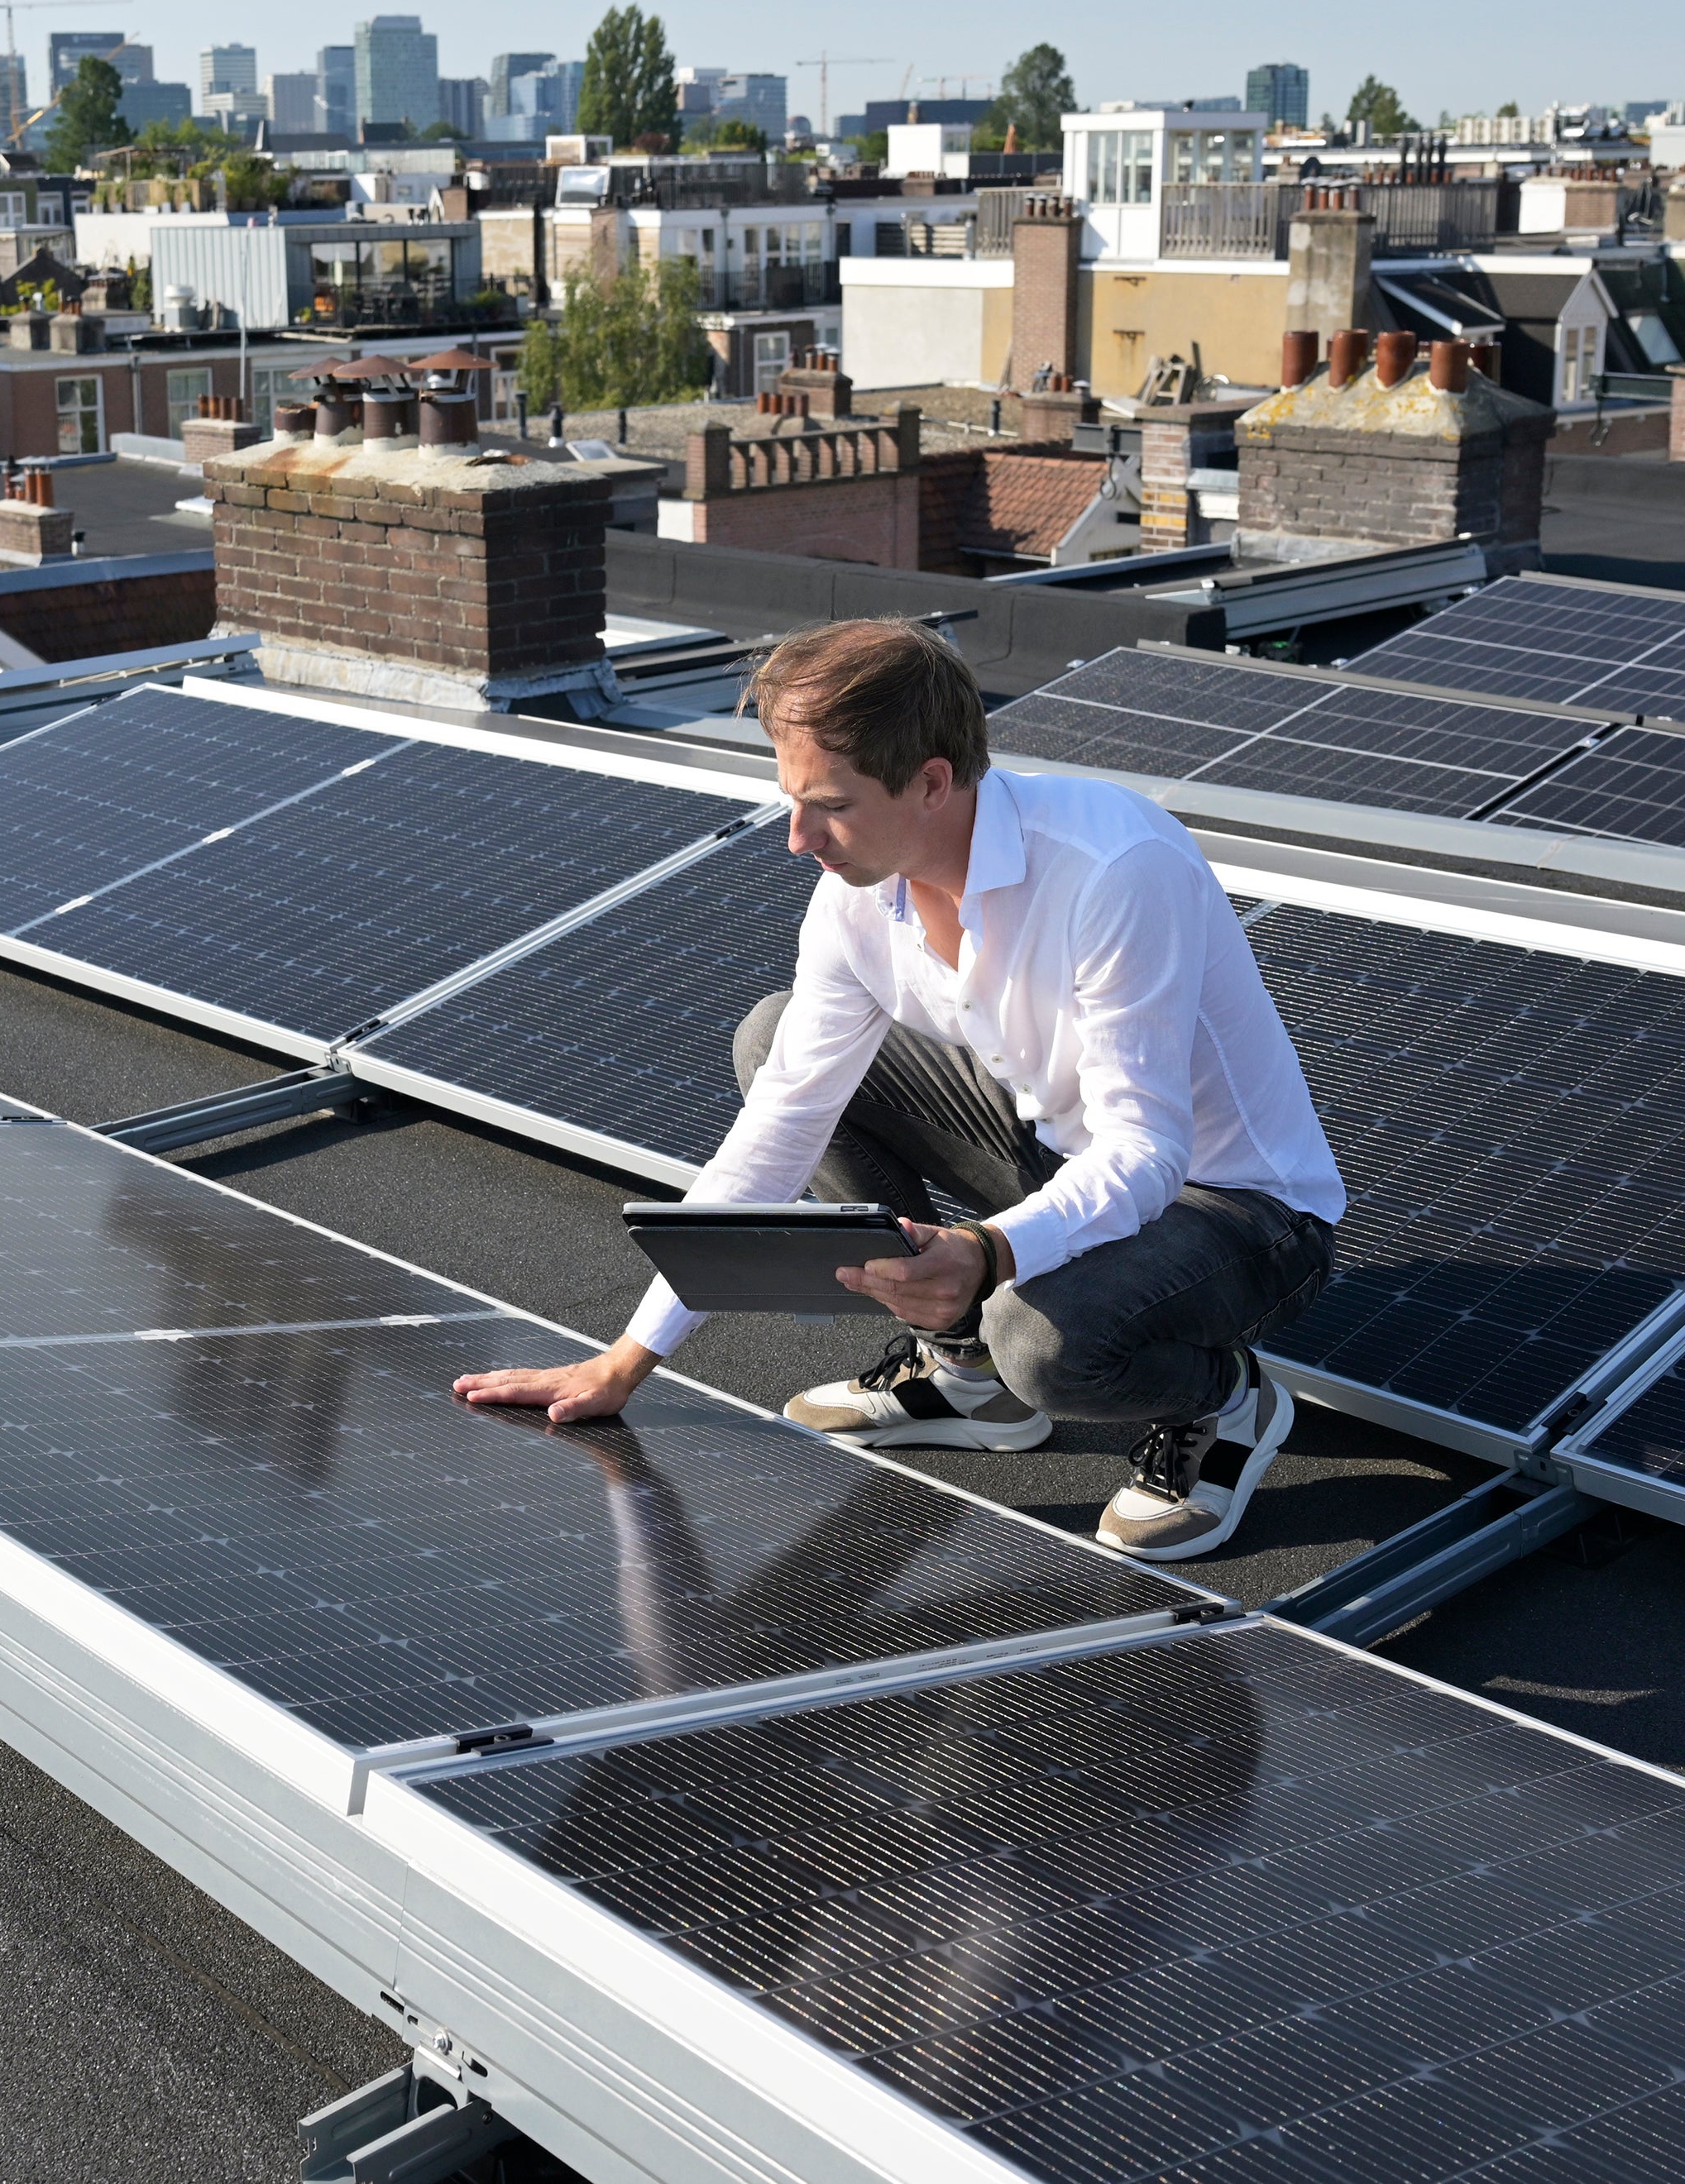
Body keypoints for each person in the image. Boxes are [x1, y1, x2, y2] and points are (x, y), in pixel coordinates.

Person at [452, 619, 1345, 1562]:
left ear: (930, 781)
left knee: (1040, 1341)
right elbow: (781, 1125)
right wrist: (625, 1361)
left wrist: (989, 1251)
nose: (796, 839)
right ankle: (964, 1371)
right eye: (791, 799)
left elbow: (1146, 1153)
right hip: (1058, 1152)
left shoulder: (1114, 869)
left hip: (1239, 1210)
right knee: (773, 1038)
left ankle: (1225, 1399)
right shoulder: (855, 898)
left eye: (828, 805)